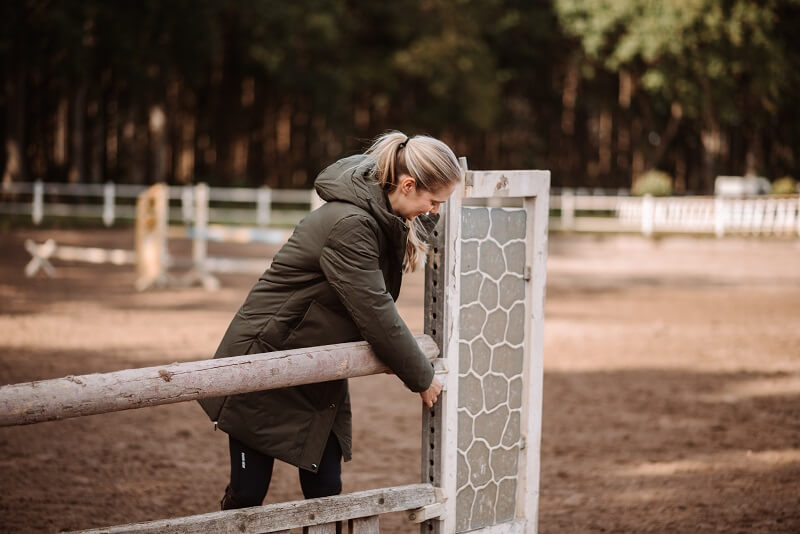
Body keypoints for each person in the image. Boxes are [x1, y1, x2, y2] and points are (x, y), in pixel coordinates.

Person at [198, 131, 462, 509]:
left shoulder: (383, 212)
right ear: (406, 184)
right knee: (248, 493)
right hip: (267, 362)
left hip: (316, 366)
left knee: (326, 492)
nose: (435, 211)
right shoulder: (351, 224)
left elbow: (402, 247)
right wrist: (422, 377)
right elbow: (374, 311)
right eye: (434, 201)